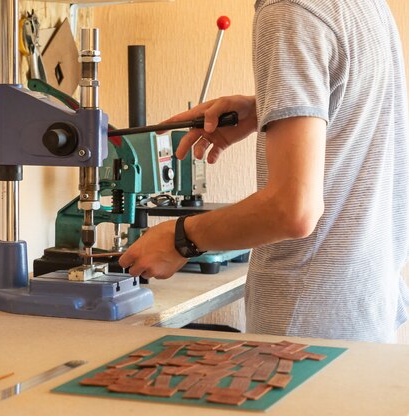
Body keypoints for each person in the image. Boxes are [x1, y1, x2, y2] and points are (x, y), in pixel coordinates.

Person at [118, 0, 409, 343]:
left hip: (305, 332)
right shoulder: (363, 5)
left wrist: (181, 239)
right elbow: (356, 109)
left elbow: (292, 210)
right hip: (363, 313)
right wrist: (266, 107)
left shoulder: (287, 9)